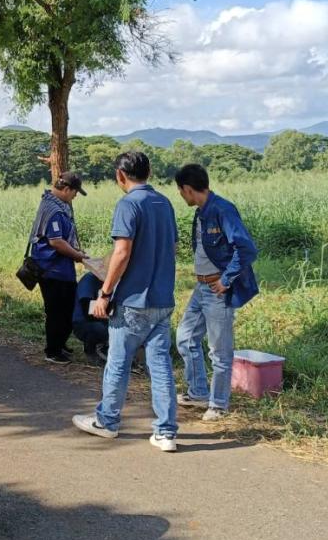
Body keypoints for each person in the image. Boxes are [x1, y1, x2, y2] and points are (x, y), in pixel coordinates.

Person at [72, 150, 181, 451]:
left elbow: (122, 252)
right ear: (149, 172)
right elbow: (171, 250)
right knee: (159, 367)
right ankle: (166, 432)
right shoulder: (165, 203)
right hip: (163, 299)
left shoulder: (128, 205)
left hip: (133, 301)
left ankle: (107, 421)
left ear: (120, 176)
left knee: (118, 363)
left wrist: (104, 294)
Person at [173, 163, 259, 421]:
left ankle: (218, 405)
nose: (181, 195)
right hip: (201, 288)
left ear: (188, 189)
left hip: (217, 289)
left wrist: (226, 280)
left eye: (180, 191)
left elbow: (246, 249)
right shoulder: (201, 213)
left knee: (220, 351)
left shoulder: (222, 210)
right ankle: (198, 393)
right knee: (185, 337)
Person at [29, 172, 90, 363]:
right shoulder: (54, 209)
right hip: (52, 269)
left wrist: (75, 250)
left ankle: (60, 343)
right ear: (66, 189)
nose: (75, 196)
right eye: (74, 192)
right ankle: (53, 351)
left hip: (60, 268)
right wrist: (78, 256)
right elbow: (56, 242)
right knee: (57, 310)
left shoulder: (55, 204)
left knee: (66, 307)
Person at [71, 269, 110, 363]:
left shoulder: (106, 282)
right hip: (83, 322)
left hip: (98, 317)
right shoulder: (89, 280)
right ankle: (92, 348)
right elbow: (87, 309)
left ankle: (105, 346)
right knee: (106, 330)